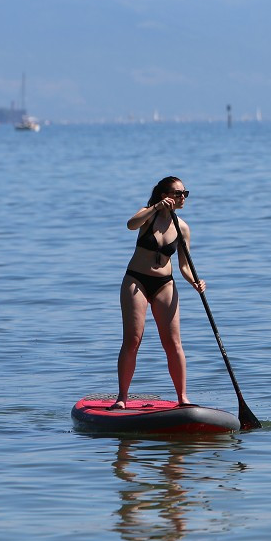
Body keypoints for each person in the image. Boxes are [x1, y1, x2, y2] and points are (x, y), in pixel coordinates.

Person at [112, 176, 206, 410]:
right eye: (177, 193)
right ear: (165, 195)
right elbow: (130, 225)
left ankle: (183, 398)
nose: (182, 198)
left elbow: (184, 265)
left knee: (173, 343)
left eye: (185, 193)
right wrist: (154, 207)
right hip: (136, 281)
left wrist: (195, 281)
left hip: (166, 284)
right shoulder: (148, 214)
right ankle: (122, 398)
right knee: (133, 340)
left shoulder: (182, 227)